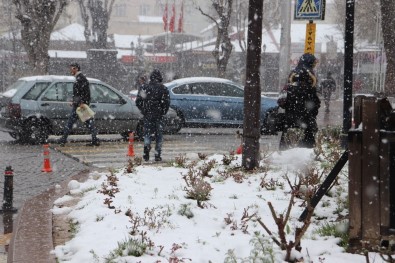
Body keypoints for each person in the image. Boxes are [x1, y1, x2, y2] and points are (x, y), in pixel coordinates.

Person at [279, 53, 321, 150]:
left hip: (290, 118)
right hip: (307, 119)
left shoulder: (293, 73)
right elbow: (315, 102)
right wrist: (312, 111)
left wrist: (290, 105)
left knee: (288, 145)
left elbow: (282, 100)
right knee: (306, 146)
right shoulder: (311, 75)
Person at [58, 63, 100, 147]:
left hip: (79, 106)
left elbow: (83, 93)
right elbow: (80, 93)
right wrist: (74, 101)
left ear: (76, 69)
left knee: (71, 122)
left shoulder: (80, 78)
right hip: (80, 104)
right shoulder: (79, 78)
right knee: (88, 122)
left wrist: (81, 103)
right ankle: (95, 140)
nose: (70, 70)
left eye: (72, 68)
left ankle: (63, 140)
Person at [136, 69, 170, 161]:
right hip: (159, 115)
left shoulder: (144, 87)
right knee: (159, 135)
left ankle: (146, 148)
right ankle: (157, 154)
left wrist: (144, 110)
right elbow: (166, 103)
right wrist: (163, 111)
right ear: (160, 78)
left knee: (147, 134)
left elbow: (138, 101)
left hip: (148, 114)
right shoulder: (163, 89)